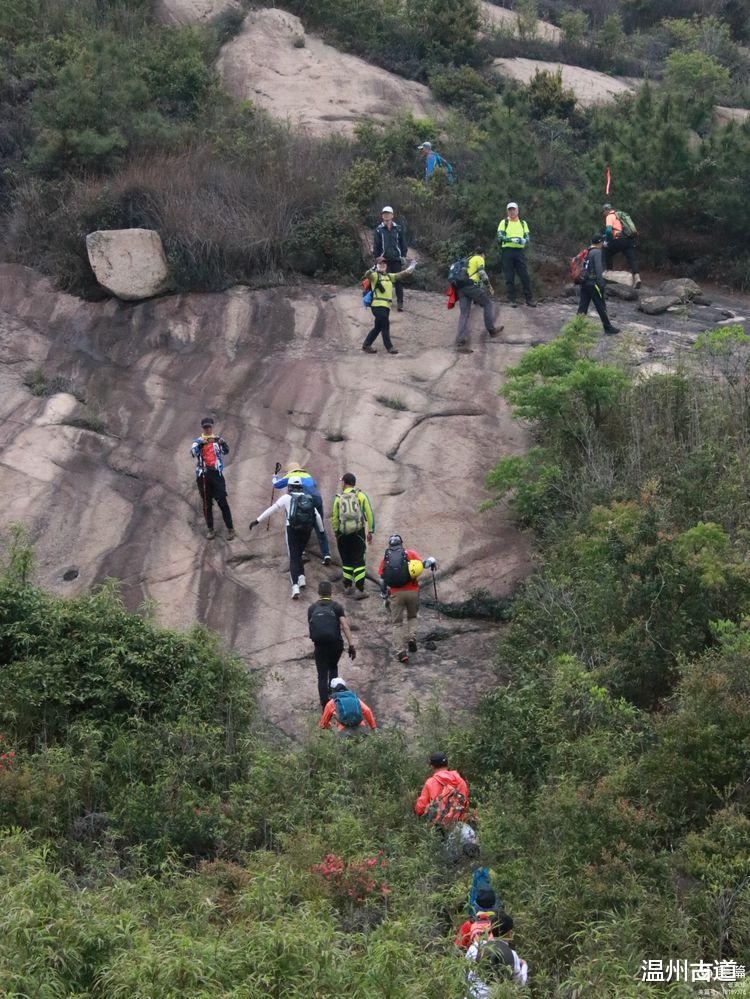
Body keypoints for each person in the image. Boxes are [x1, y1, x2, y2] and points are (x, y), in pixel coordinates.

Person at [248, 476, 325, 599]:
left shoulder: (287, 498)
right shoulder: (308, 498)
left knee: (293, 557)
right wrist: (321, 531)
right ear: (300, 486)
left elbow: (272, 509)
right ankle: (302, 578)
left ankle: (295, 587)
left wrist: (257, 520)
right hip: (306, 531)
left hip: (292, 530)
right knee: (299, 554)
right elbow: (317, 516)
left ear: (289, 487)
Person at [378, 535, 436, 663]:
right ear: (401, 544)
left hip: (396, 594)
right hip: (412, 591)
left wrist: (384, 594)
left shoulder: (386, 559)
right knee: (412, 616)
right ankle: (412, 638)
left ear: (390, 546)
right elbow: (423, 565)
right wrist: (431, 561)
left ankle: (401, 653)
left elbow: (382, 580)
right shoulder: (410, 553)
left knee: (397, 623)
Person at [308, 581, 356, 709]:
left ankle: (325, 706)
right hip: (336, 645)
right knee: (333, 667)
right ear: (331, 592)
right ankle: (335, 700)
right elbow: (345, 626)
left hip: (320, 646)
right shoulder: (336, 607)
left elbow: (311, 626)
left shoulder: (312, 608)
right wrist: (351, 645)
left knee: (322, 675)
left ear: (319, 593)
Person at [272, 463, 331, 565]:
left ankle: (301, 552)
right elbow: (314, 486)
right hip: (317, 499)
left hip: (304, 501)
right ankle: (326, 554)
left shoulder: (291, 476)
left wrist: (274, 477)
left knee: (300, 524)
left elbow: (276, 485)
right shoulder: (308, 475)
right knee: (319, 527)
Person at [331, 473, 375, 599]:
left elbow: (335, 518)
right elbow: (369, 513)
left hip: (343, 534)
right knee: (359, 560)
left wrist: (337, 533)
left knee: (346, 560)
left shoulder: (338, 498)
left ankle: (347, 587)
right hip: (358, 533)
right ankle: (360, 589)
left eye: (342, 482)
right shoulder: (361, 496)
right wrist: (370, 531)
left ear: (345, 483)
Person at [191, 416, 235, 541]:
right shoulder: (197, 441)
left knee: (222, 501)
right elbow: (193, 452)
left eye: (209, 426)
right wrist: (201, 444)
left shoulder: (217, 440)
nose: (208, 429)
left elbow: (226, 451)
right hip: (203, 475)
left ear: (212, 427)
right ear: (202, 428)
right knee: (206, 503)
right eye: (205, 427)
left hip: (216, 474)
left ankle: (230, 529)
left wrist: (223, 443)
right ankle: (210, 529)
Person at [361, 256, 416, 355]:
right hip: (377, 305)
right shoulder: (375, 276)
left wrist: (412, 266)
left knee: (378, 327)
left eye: (384, 263)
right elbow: (367, 274)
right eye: (380, 263)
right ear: (377, 265)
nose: (382, 265)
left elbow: (403, 274)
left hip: (386, 306)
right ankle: (389, 347)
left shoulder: (389, 276)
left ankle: (366, 345)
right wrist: (373, 268)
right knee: (385, 324)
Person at [455, 246, 504, 354]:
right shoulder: (479, 258)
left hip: (461, 288)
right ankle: (492, 330)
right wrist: (489, 287)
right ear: (482, 254)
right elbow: (482, 273)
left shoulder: (467, 260)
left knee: (464, 313)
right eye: (485, 256)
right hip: (471, 287)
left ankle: (460, 340)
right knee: (487, 304)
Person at [465, 924, 529, 994]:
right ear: (510, 934)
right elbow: (519, 982)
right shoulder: (512, 954)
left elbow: (465, 972)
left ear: (491, 930)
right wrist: (524, 965)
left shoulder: (476, 947)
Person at [577, 234, 620, 336]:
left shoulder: (587, 251)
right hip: (593, 283)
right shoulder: (597, 252)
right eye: (602, 242)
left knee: (583, 306)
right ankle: (608, 328)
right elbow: (598, 269)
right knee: (600, 305)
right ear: (600, 242)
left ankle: (577, 328)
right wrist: (601, 284)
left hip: (584, 282)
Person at [414, 751, 469, 826]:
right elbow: (465, 803)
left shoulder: (430, 782)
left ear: (432, 766)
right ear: (447, 764)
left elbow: (420, 808)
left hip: (438, 827)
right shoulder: (460, 781)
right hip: (458, 825)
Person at [497, 202, 535, 308]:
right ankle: (512, 300)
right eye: (510, 210)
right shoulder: (503, 222)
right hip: (507, 251)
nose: (512, 211)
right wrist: (511, 239)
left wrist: (523, 240)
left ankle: (529, 299)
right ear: (507, 211)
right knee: (509, 276)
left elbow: (527, 237)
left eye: (513, 209)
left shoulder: (523, 223)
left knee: (524, 276)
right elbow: (499, 236)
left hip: (519, 252)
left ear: (517, 210)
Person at [373, 206, 408, 312]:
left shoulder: (398, 228)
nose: (386, 215)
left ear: (392, 215)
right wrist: (377, 258)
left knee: (398, 281)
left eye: (388, 213)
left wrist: (403, 256)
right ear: (382, 216)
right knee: (385, 282)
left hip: (396, 259)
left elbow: (403, 243)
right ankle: (386, 302)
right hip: (384, 260)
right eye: (384, 213)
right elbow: (376, 245)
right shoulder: (379, 230)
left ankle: (400, 303)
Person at [602, 202, 641, 289]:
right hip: (629, 240)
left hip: (619, 239)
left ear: (606, 210)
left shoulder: (609, 216)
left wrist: (608, 240)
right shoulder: (619, 215)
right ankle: (637, 277)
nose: (603, 213)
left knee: (606, 250)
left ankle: (609, 273)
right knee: (632, 258)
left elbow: (608, 231)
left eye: (603, 211)